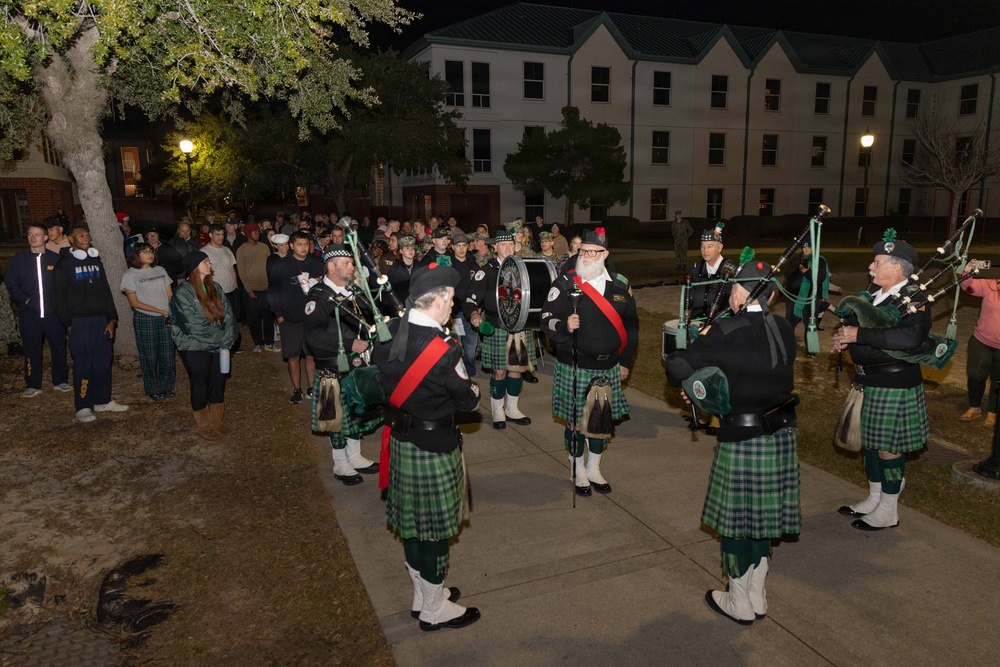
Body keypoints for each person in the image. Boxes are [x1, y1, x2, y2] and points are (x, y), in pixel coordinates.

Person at [665, 250, 800, 625]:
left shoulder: (723, 331)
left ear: (739, 292)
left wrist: (695, 365)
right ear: (771, 296)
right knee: (763, 521)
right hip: (782, 433)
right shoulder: (786, 329)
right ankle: (757, 594)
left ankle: (739, 600)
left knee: (739, 523)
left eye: (735, 290)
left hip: (742, 437)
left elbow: (678, 369)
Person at [371, 263, 481, 631]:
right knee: (434, 531)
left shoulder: (387, 335)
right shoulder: (444, 350)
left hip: (402, 440)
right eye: (451, 298)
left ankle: (424, 595)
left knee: (413, 525)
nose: (454, 304)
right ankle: (435, 609)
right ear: (437, 301)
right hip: (435, 445)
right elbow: (468, 402)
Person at [832, 231, 930, 530]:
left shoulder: (915, 297)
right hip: (868, 381)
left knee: (888, 446)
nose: (871, 268)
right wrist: (844, 340)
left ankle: (889, 509)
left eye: (877, 262)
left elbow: (910, 337)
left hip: (894, 383)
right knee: (871, 443)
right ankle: (875, 498)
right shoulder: (876, 295)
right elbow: (860, 328)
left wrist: (859, 335)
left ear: (898, 267)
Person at [541, 227, 638, 496]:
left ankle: (594, 468)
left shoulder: (620, 285)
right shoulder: (564, 283)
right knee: (575, 422)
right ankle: (577, 468)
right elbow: (546, 319)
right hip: (574, 364)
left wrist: (626, 361)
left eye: (592, 252)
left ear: (605, 254)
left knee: (599, 422)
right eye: (583, 250)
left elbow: (631, 326)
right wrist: (564, 326)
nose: (585, 255)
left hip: (608, 366)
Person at [303, 244, 382, 485]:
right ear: (331, 266)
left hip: (356, 363)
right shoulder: (319, 295)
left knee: (356, 410)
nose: (352, 267)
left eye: (352, 263)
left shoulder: (352, 290)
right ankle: (340, 463)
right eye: (347, 263)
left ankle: (355, 456)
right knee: (334, 415)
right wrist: (350, 344)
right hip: (331, 365)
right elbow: (312, 336)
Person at [53, 225, 129, 422]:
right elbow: (58, 297)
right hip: (79, 322)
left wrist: (111, 319)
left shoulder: (96, 260)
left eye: (87, 235)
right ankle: (83, 405)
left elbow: (106, 292)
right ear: (71, 239)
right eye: (80, 235)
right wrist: (68, 323)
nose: (85, 238)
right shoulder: (63, 264)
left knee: (103, 363)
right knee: (83, 365)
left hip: (101, 320)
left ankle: (103, 400)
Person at [465, 228, 534, 429]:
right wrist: (475, 314)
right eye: (504, 245)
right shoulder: (486, 271)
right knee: (500, 372)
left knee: (517, 370)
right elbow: (470, 300)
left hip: (520, 326)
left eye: (511, 244)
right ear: (495, 248)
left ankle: (512, 408)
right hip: (497, 326)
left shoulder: (523, 270)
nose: (508, 248)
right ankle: (497, 410)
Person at [170, 250, 238, 439]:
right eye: (206, 262)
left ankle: (217, 419)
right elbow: (193, 326)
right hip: (193, 345)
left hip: (219, 343)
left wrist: (228, 338)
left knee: (218, 379)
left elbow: (229, 315)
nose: (210, 265)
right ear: (194, 267)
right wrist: (219, 338)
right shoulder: (183, 293)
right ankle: (204, 423)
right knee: (200, 380)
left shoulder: (215, 287)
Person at [5, 220, 69, 396]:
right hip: (29, 315)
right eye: (30, 234)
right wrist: (25, 301)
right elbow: (11, 283)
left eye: (37, 234)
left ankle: (61, 380)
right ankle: (33, 383)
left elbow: (63, 285)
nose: (33, 238)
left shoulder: (55, 259)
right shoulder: (19, 259)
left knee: (58, 347)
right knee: (31, 349)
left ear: (46, 237)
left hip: (53, 315)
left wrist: (59, 306)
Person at [269, 230, 324, 403]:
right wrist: (279, 316)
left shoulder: (316, 264)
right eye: (299, 244)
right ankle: (297, 389)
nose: (303, 248)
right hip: (290, 318)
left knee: (311, 355)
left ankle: (311, 388)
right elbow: (273, 292)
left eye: (306, 244)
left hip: (311, 319)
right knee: (293, 355)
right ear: (291, 246)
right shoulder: (281, 265)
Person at [120, 243, 175, 401]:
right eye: (144, 252)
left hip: (166, 317)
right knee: (149, 356)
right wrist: (159, 311)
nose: (149, 254)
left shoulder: (161, 270)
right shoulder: (130, 275)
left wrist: (170, 312)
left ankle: (167, 386)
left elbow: (170, 294)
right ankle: (152, 388)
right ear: (136, 256)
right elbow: (134, 303)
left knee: (167, 354)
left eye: (150, 251)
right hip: (145, 318)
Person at [959, 272, 1000, 425]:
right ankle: (975, 407)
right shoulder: (992, 285)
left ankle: (993, 412)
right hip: (982, 340)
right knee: (975, 375)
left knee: (998, 381)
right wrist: (967, 271)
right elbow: (966, 285)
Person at [201, 224, 242, 353]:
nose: (220, 237)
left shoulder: (227, 250)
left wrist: (236, 286)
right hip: (215, 293)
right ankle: (218, 346)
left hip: (230, 291)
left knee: (231, 319)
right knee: (218, 321)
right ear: (211, 235)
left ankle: (231, 345)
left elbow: (232, 269)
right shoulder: (204, 252)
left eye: (222, 234)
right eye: (217, 234)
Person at [236, 222, 274, 353]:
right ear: (248, 234)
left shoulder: (264, 247)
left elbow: (270, 266)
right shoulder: (242, 250)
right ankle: (258, 343)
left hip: (267, 288)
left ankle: (269, 342)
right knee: (254, 319)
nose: (257, 233)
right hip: (252, 290)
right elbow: (241, 271)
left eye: (258, 231)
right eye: (254, 232)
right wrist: (249, 290)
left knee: (268, 317)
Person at [688, 223, 736, 320]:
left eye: (709, 246)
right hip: (696, 320)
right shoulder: (696, 268)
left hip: (722, 322)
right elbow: (689, 295)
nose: (705, 250)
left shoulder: (730, 269)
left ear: (720, 248)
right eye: (702, 246)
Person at [782, 240, 830, 336]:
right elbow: (787, 275)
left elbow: (820, 279)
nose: (806, 249)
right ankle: (788, 347)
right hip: (794, 295)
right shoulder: (796, 258)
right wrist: (796, 266)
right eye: (804, 247)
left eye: (809, 247)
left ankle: (810, 349)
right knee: (790, 322)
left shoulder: (820, 260)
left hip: (812, 297)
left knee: (810, 326)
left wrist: (807, 271)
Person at [387, 236, 418, 303]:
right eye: (407, 248)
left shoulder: (420, 266)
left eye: (412, 248)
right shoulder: (394, 269)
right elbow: (391, 291)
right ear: (401, 250)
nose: (411, 251)